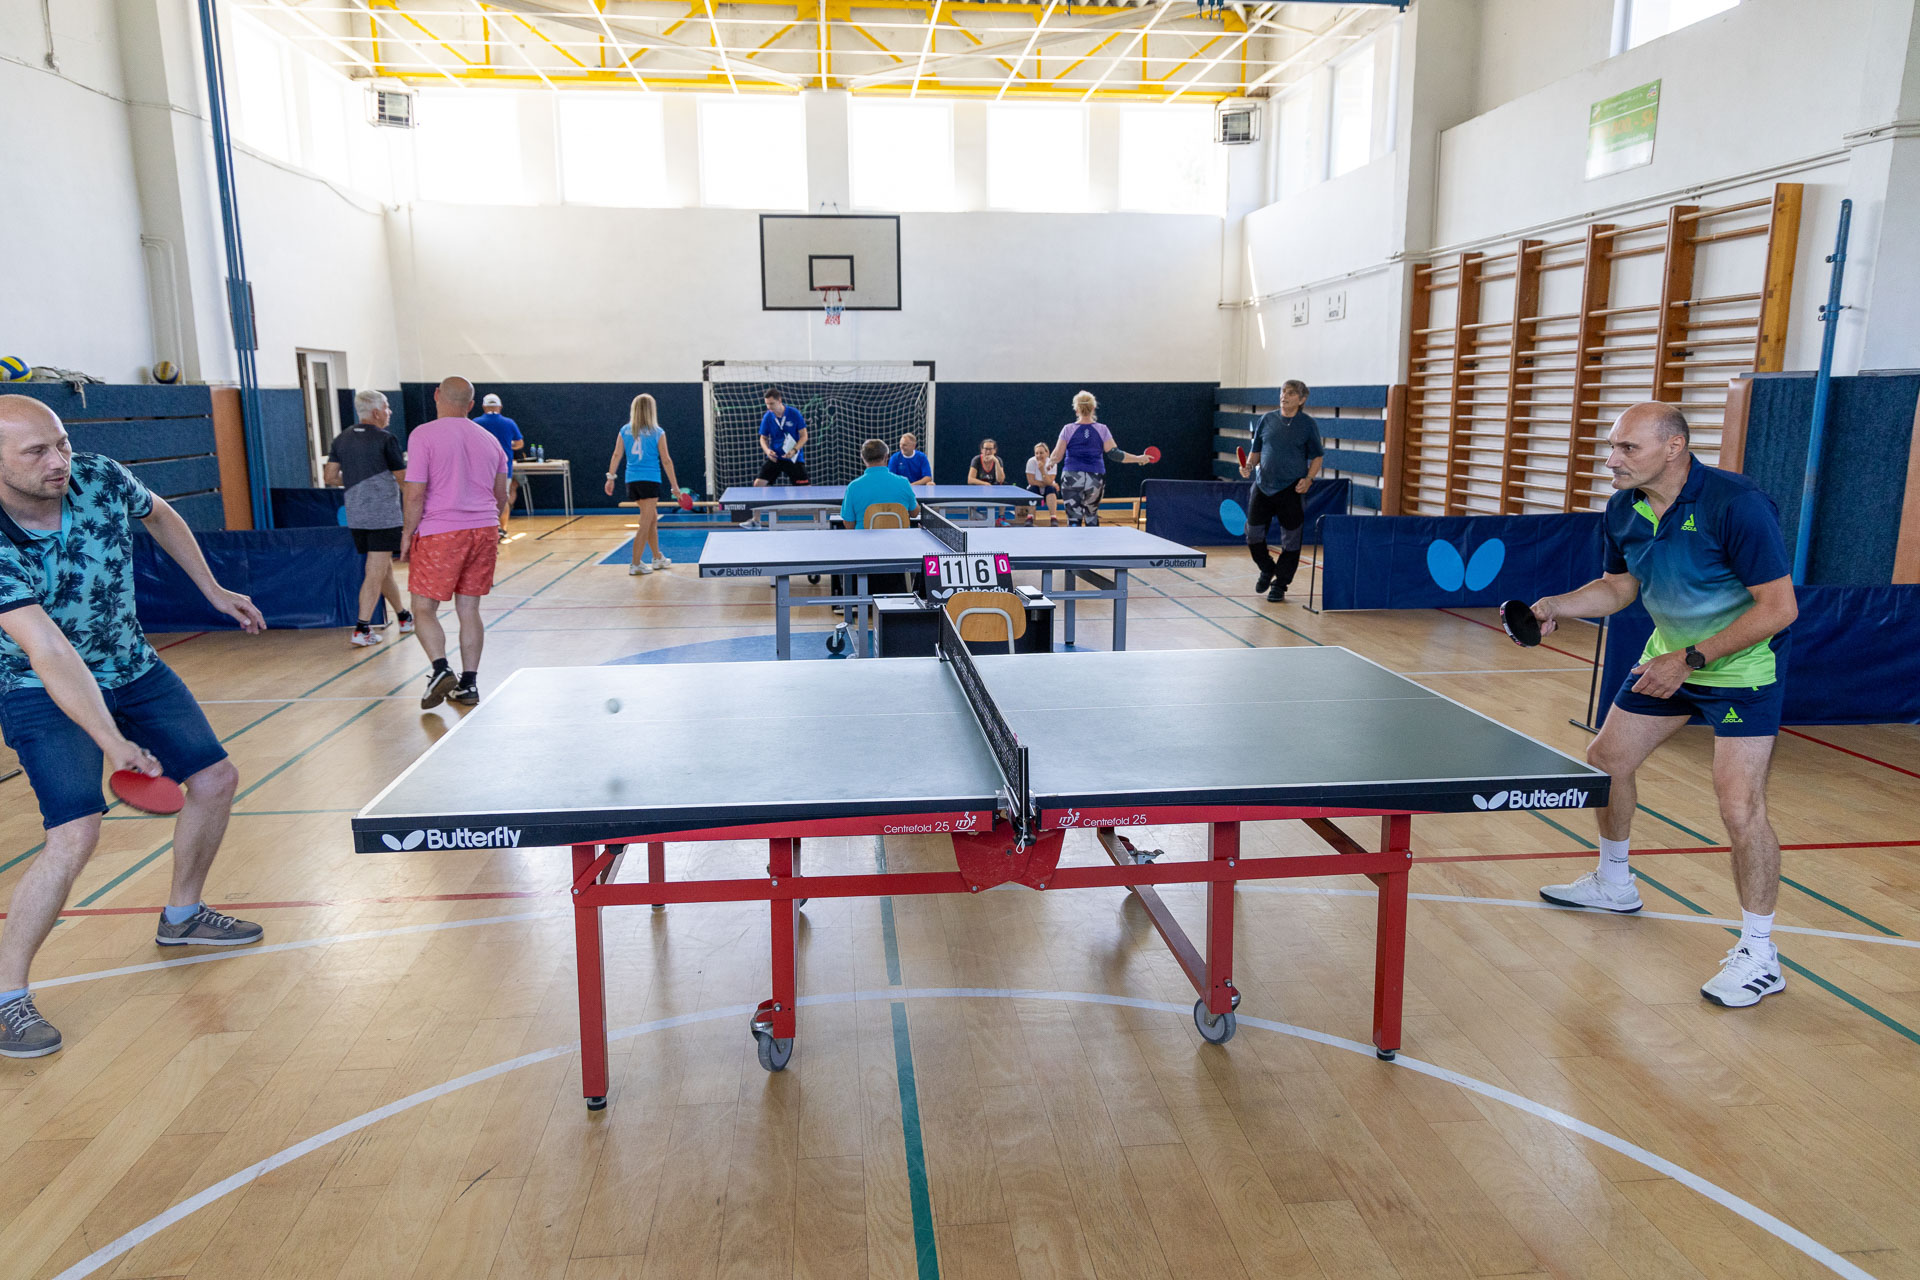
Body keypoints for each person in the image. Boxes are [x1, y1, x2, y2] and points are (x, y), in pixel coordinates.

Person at [0, 395, 267, 1059]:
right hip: (38, 686)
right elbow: (49, 651)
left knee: (215, 778)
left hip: (131, 663)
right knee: (75, 833)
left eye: (61, 443)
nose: (59, 461)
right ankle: (6, 998)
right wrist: (112, 742)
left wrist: (211, 589)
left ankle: (183, 916)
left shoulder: (99, 475)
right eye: (36, 452)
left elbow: (161, 514)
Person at [1528, 402, 1798, 1008]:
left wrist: (1692, 660)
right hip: (1669, 658)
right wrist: (1556, 606)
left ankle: (1761, 954)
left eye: (1627, 448)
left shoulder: (1736, 505)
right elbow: (1620, 586)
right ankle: (1615, 882)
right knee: (1607, 760)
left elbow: (1779, 609)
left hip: (1742, 671)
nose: (1611, 460)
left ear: (1674, 448)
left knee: (1739, 806)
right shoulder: (1624, 508)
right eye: (1612, 446)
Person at [401, 377, 510, 710]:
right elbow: (501, 496)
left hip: (440, 532)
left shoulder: (423, 435)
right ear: (472, 405)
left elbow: (415, 493)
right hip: (484, 529)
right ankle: (469, 685)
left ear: (437, 395)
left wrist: (407, 533)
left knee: (423, 608)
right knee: (469, 610)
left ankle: (440, 669)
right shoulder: (490, 440)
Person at [324, 389, 414, 647]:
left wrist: (356, 480)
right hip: (383, 517)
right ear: (376, 413)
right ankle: (362, 628)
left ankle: (403, 616)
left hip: (356, 516)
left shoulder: (342, 438)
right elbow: (403, 480)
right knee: (375, 572)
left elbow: (330, 477)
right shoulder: (386, 439)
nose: (389, 412)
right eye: (386, 407)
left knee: (383, 569)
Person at [606, 393, 681, 576]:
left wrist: (610, 477)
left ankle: (657, 557)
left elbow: (616, 454)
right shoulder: (657, 432)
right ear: (651, 411)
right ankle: (635, 564)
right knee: (645, 523)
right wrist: (675, 486)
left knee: (652, 518)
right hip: (650, 480)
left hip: (632, 481)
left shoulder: (625, 430)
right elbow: (666, 460)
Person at [1051, 391, 1151, 527]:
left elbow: (1057, 456)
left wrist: (1049, 463)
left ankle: (1074, 537)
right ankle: (1093, 539)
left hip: (1071, 477)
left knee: (1073, 518)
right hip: (1095, 477)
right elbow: (1115, 454)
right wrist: (1139, 458)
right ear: (1093, 408)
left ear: (1076, 409)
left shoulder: (1068, 429)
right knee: (1091, 515)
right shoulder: (1102, 429)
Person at [472, 393, 524, 540]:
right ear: (500, 406)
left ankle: (485, 529)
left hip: (482, 468)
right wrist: (507, 445)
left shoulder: (476, 422)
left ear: (484, 406)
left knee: (482, 498)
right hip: (504, 467)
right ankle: (503, 528)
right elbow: (519, 443)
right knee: (502, 498)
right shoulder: (509, 423)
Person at [841, 438, 920, 527]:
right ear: (886, 457)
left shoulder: (853, 487)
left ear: (863, 458)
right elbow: (914, 513)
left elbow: (848, 523)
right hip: (900, 536)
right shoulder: (904, 483)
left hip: (864, 536)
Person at [755, 389, 808, 486]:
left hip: (793, 457)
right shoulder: (768, 417)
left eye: (771, 403)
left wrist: (794, 450)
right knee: (758, 484)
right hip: (775, 457)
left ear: (779, 400)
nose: (769, 407)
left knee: (805, 489)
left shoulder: (794, 413)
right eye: (767, 404)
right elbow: (763, 438)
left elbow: (804, 436)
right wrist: (767, 451)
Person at [1023, 442, 1059, 525]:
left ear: (1047, 453)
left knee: (1051, 489)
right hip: (1035, 488)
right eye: (1037, 453)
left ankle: (1053, 518)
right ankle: (1030, 518)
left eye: (1041, 453)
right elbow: (1031, 481)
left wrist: (1042, 470)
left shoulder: (1052, 463)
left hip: (1049, 489)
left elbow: (1049, 482)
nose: (1039, 455)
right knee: (1033, 489)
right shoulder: (1031, 462)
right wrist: (1049, 483)